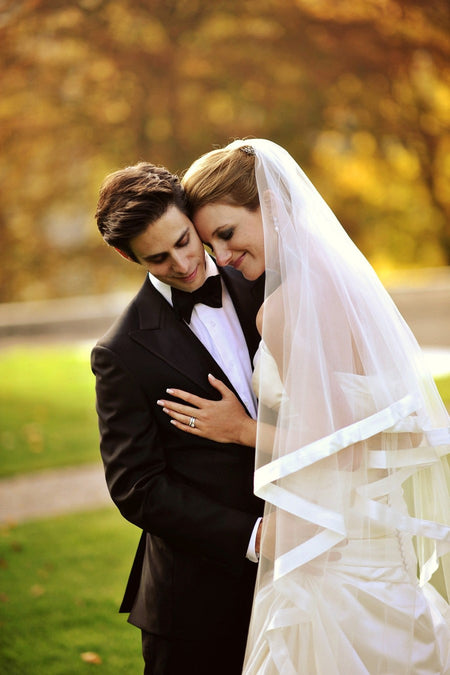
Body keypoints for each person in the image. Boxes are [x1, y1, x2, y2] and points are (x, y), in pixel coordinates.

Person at [157, 140, 450, 673]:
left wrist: (241, 429)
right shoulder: (349, 286)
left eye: (226, 234)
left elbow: (340, 449)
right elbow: (398, 431)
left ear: (270, 204)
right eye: (210, 243)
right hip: (376, 541)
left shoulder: (287, 311)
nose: (220, 258)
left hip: (331, 551)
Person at [90, 161, 265, 675]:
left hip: (307, 569)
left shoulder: (262, 278)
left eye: (186, 240)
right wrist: (251, 537)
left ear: (191, 216)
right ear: (127, 256)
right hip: (196, 603)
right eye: (158, 258)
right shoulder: (120, 352)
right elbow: (136, 486)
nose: (185, 263)